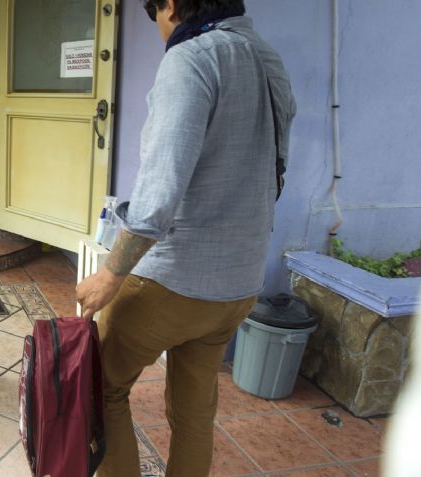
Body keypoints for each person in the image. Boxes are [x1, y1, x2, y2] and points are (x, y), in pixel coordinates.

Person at [76, 0, 296, 475]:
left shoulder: (192, 57)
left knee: (101, 390)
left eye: (153, 13)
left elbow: (159, 190)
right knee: (195, 415)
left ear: (171, 6)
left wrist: (111, 273)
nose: (157, 26)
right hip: (238, 285)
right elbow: (277, 168)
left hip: (170, 285)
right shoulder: (266, 58)